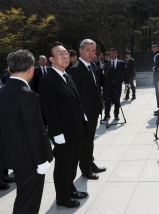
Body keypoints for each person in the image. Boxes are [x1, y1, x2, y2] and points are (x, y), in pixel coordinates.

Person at [0, 49, 53, 213]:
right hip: (29, 158)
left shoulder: (3, 91)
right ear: (31, 69)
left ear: (9, 69)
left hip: (12, 154)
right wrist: (42, 160)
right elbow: (34, 130)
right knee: (29, 201)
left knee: (23, 197)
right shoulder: (27, 94)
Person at [39, 41, 88, 208]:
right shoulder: (48, 80)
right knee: (63, 166)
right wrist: (56, 133)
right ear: (51, 59)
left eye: (66, 53)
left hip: (76, 130)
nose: (65, 56)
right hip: (63, 134)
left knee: (73, 164)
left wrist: (83, 117)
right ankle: (62, 197)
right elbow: (49, 110)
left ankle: (70, 188)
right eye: (60, 54)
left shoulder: (67, 75)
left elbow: (75, 101)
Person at [69, 39, 106, 180]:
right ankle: (85, 169)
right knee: (85, 142)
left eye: (93, 50)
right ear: (80, 51)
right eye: (88, 50)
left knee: (90, 140)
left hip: (93, 110)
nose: (91, 53)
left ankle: (91, 163)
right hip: (84, 113)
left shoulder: (92, 66)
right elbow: (74, 94)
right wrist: (81, 113)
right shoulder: (76, 69)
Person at [102, 48, 129, 121]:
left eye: (113, 53)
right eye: (110, 53)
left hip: (118, 84)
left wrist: (127, 83)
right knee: (108, 100)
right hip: (109, 84)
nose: (112, 55)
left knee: (117, 100)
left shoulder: (121, 63)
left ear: (117, 54)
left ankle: (116, 114)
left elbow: (125, 74)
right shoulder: (107, 63)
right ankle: (106, 115)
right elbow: (104, 73)